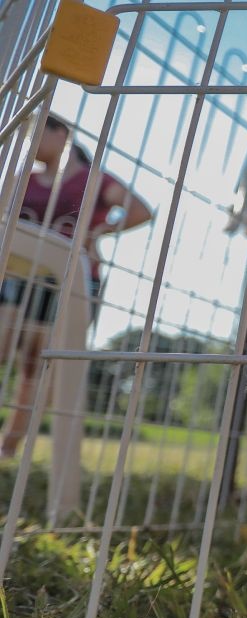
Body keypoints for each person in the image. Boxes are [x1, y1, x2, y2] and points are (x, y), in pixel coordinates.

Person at [2, 114, 152, 458]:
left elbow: (139, 210)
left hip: (69, 279)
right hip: (16, 275)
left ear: (61, 134)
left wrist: (98, 233)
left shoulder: (93, 180)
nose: (32, 144)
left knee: (36, 363)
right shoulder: (23, 179)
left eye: (37, 134)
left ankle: (8, 446)